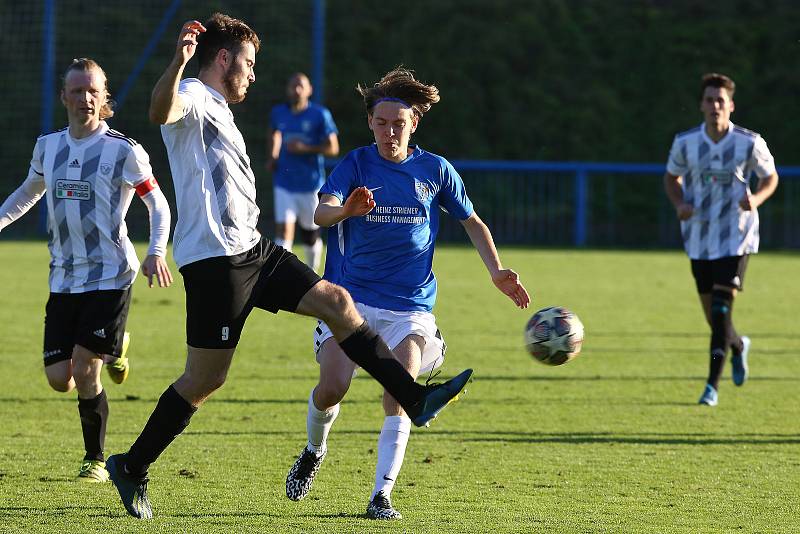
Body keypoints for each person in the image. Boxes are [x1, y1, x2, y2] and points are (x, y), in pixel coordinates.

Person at [105, 14, 472, 520]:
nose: (253, 75)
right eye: (249, 64)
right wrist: (178, 61)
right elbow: (158, 110)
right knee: (205, 378)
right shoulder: (191, 92)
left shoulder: (219, 107)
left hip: (253, 249)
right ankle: (133, 465)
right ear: (223, 59)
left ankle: (413, 397)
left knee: (338, 303)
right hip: (216, 262)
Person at [284, 67, 531, 520]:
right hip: (349, 303)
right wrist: (347, 211)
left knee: (399, 390)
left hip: (411, 309)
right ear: (371, 124)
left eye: (398, 123)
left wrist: (496, 271)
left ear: (414, 123)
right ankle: (313, 451)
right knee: (333, 389)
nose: (389, 132)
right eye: (381, 123)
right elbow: (320, 213)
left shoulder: (435, 169)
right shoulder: (356, 163)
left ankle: (382, 496)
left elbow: (472, 222)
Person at [0, 59, 172, 482]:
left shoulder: (123, 150)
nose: (85, 98)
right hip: (63, 277)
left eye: (93, 91)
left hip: (111, 275)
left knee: (84, 368)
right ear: (64, 97)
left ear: (104, 96)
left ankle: (94, 459)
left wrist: (156, 250)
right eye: (77, 91)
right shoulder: (49, 147)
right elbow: (28, 193)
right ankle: (117, 346)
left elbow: (158, 203)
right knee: (60, 380)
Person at [663, 72, 779, 406]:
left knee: (720, 308)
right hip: (699, 236)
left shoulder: (749, 142)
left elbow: (770, 178)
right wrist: (680, 203)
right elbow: (671, 178)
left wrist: (755, 200)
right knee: (715, 318)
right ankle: (738, 345)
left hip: (736, 236)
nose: (715, 105)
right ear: (701, 105)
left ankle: (711, 386)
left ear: (731, 106)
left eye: (720, 100)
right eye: (709, 99)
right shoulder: (686, 143)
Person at [267, 72, 339, 271]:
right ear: (288, 89)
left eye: (301, 86)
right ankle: (280, 277)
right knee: (283, 231)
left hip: (310, 184)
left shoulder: (320, 115)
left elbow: (333, 148)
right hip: (284, 182)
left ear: (309, 90)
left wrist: (305, 148)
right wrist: (273, 156)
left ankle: (312, 275)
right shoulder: (278, 113)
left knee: (310, 234)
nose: (297, 89)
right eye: (293, 85)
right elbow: (274, 134)